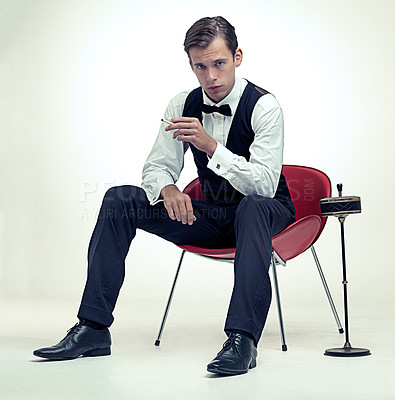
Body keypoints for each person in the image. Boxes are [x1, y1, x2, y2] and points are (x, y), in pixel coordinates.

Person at [33, 16, 295, 375]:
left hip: (266, 213)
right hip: (212, 215)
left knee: (251, 207)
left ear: (237, 57)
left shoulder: (265, 107)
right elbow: (156, 168)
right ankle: (93, 329)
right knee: (119, 200)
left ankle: (242, 341)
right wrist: (168, 187)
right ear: (191, 64)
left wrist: (211, 146)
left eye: (219, 63)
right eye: (200, 67)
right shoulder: (181, 104)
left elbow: (265, 185)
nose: (211, 77)